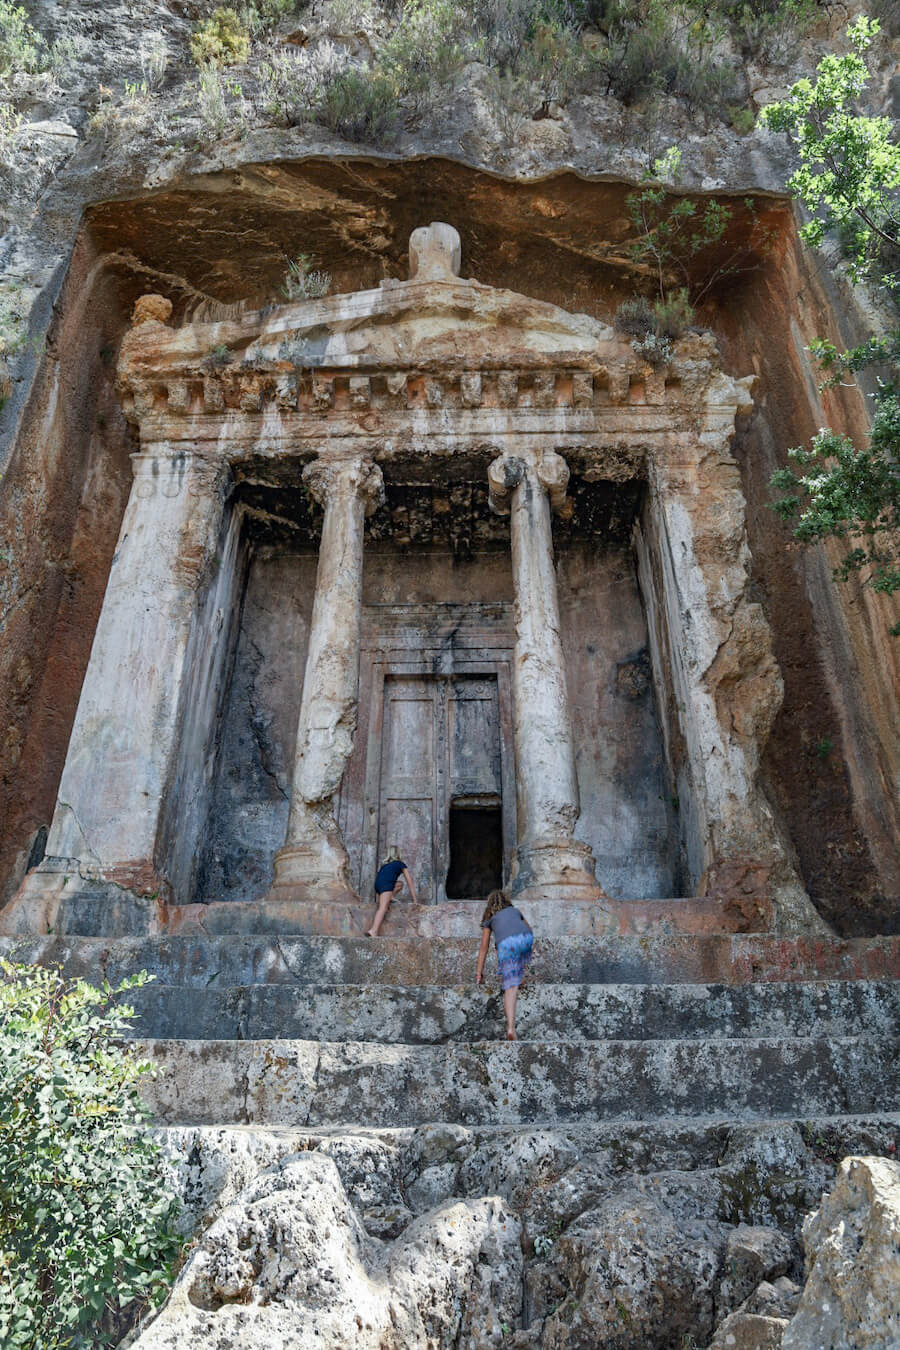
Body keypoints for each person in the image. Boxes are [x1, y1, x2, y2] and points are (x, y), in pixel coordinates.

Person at [475, 888, 533, 1041]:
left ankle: (510, 1028)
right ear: (506, 901)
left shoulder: (490, 918)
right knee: (518, 951)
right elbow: (529, 929)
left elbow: (483, 948)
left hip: (507, 945)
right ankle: (519, 976)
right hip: (525, 938)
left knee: (510, 987)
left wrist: (479, 972)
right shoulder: (514, 911)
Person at [366, 846, 418, 936]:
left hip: (378, 885)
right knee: (383, 908)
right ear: (398, 854)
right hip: (386, 885)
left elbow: (381, 878)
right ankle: (373, 930)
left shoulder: (385, 865)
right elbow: (410, 882)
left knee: (400, 884)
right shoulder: (400, 864)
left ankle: (391, 896)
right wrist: (415, 900)